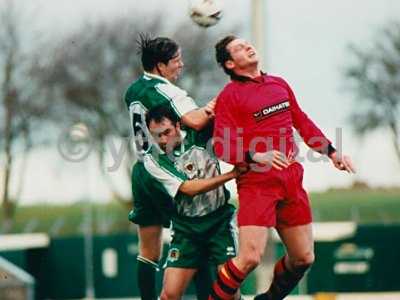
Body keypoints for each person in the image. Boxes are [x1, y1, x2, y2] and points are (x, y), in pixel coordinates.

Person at [207, 35, 356, 300]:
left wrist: (331, 152)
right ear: (230, 64)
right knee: (249, 258)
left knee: (303, 258)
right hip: (257, 184)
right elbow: (221, 146)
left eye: (247, 43)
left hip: (291, 179)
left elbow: (302, 122)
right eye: (240, 48)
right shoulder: (229, 96)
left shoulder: (279, 84)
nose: (248, 47)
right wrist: (256, 155)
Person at [124, 34, 215, 300]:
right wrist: (215, 106)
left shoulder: (132, 90)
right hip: (166, 170)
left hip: (141, 170)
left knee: (148, 251)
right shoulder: (166, 90)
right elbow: (195, 121)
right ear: (160, 66)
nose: (181, 65)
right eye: (176, 60)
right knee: (196, 235)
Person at [137, 104, 244, 300]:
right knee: (169, 295)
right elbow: (188, 189)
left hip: (219, 221)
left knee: (229, 291)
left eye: (167, 132)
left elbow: (231, 118)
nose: (162, 140)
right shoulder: (152, 160)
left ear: (178, 125)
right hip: (186, 229)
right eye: (156, 135)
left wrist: (217, 113)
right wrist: (232, 174)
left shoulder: (200, 134)